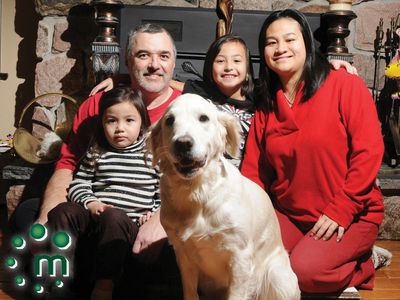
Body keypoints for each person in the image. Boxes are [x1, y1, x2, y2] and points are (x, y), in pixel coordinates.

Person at [240, 9, 385, 293]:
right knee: (250, 262)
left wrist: (342, 209)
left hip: (351, 213)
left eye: (290, 39)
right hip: (291, 215)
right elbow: (253, 174)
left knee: (303, 273)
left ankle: (364, 262)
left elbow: (368, 152)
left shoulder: (345, 85)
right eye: (271, 42)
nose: (281, 48)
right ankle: (315, 254)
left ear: (307, 42)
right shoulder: (266, 107)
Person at [11, 23, 180, 262]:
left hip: (150, 214)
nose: (154, 65)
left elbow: (197, 181)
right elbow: (68, 165)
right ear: (128, 61)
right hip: (98, 210)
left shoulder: (187, 108)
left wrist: (160, 219)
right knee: (28, 214)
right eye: (143, 55)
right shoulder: (97, 105)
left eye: (164, 56)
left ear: (174, 62)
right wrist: (45, 218)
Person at [90, 34, 356, 167]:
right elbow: (163, 79)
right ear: (209, 67)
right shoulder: (201, 93)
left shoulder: (261, 93)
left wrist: (332, 66)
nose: (229, 67)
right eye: (220, 61)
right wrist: (124, 77)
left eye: (237, 61)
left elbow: (298, 81)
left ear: (248, 68)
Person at [48, 87, 159, 300]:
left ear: (142, 123)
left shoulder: (151, 154)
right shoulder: (98, 151)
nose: (120, 128)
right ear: (102, 123)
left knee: (114, 216)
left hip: (125, 227)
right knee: (62, 211)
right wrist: (90, 203)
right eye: (111, 121)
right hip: (95, 218)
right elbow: (79, 184)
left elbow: (163, 193)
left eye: (129, 120)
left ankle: (104, 287)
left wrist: (153, 214)